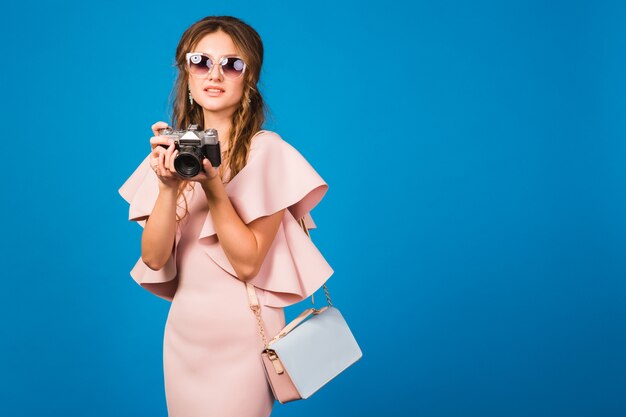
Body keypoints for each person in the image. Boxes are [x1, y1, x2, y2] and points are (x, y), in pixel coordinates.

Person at [118, 15, 333, 417]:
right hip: (184, 336)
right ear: (186, 71)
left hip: (243, 337)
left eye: (232, 64)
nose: (214, 74)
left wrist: (214, 186)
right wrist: (168, 188)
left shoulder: (267, 152)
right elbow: (154, 258)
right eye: (201, 61)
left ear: (248, 78)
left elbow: (248, 262)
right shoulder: (174, 153)